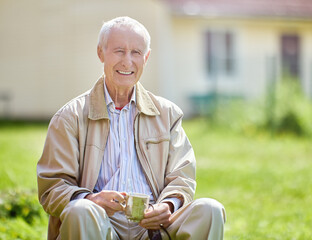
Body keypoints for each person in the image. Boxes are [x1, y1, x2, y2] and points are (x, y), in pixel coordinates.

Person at [37, 16, 226, 240]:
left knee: (210, 209)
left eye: (136, 52)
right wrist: (91, 200)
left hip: (155, 228)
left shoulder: (167, 114)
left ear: (146, 57)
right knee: (81, 211)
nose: (127, 62)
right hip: (98, 225)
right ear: (101, 53)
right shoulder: (70, 117)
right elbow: (52, 188)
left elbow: (181, 177)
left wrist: (168, 206)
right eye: (119, 51)